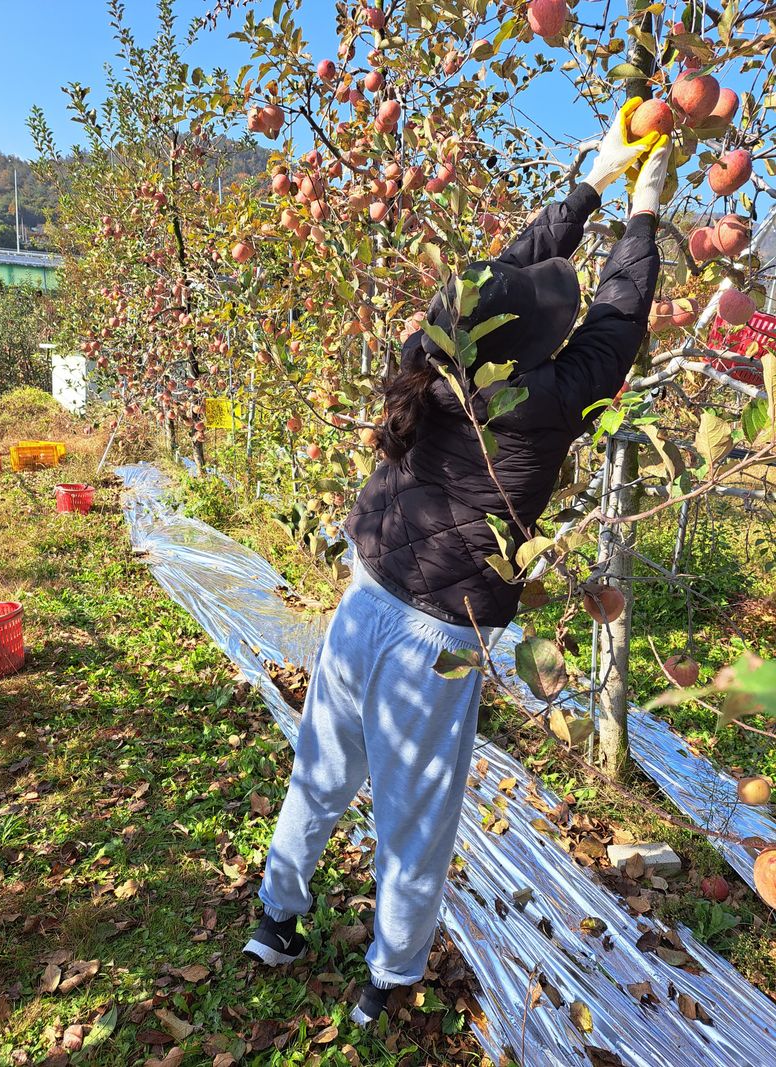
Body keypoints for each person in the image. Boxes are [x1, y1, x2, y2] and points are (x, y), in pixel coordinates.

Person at [244, 101, 672, 1025]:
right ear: (524, 351)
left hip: (362, 603)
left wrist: (590, 182)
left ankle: (275, 916)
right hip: (437, 640)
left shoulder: (428, 354)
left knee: (320, 771)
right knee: (417, 823)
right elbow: (618, 322)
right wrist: (642, 211)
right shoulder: (541, 405)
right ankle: (389, 982)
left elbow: (504, 274)